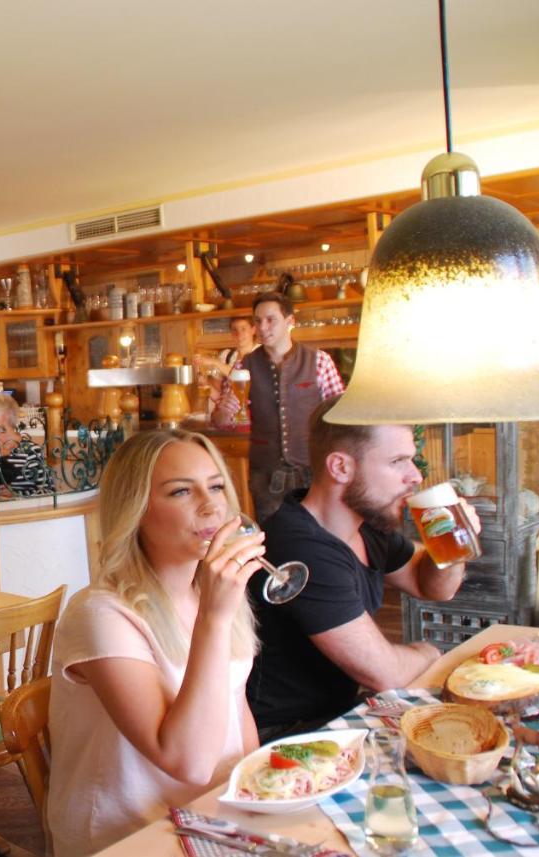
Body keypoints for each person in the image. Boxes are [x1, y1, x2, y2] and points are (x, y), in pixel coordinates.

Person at [47, 429, 264, 856]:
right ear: (137, 510)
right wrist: (214, 621)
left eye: (216, 485)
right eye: (181, 491)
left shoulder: (211, 596)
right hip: (132, 838)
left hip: (214, 822)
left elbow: (238, 721)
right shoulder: (101, 613)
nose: (211, 504)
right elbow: (189, 762)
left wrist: (260, 797)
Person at [247, 396, 475, 742]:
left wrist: (455, 547)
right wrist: (432, 652)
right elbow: (385, 674)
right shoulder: (300, 547)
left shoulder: (365, 525)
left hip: (340, 713)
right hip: (287, 736)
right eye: (398, 461)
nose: (414, 477)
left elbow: (432, 586)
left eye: (411, 460)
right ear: (340, 467)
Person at [212, 294, 345, 522]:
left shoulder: (319, 361)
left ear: (289, 321)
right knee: (274, 541)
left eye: (270, 320)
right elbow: (221, 420)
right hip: (265, 473)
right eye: (258, 321)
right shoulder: (244, 366)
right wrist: (224, 409)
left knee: (321, 536)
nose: (263, 327)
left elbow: (340, 416)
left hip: (313, 470)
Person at [0, 393, 54, 497]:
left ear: (4, 417)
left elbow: (49, 492)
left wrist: (16, 495)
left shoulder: (31, 451)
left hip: (21, 511)